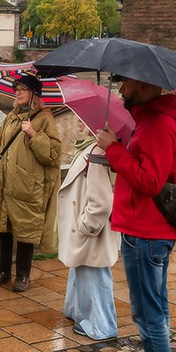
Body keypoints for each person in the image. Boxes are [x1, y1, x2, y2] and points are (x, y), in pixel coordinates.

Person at [95, 73, 176, 352]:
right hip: (146, 229)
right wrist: (118, 149)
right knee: (155, 311)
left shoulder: (157, 126)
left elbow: (150, 182)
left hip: (146, 232)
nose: (120, 89)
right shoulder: (151, 122)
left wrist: (114, 149)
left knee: (149, 316)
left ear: (146, 85)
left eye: (127, 83)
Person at [0, 69, 62, 293]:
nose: (17, 93)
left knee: (26, 230)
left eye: (22, 89)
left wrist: (34, 135)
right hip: (6, 184)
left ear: (34, 93)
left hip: (29, 186)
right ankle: (3, 271)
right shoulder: (12, 116)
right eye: (16, 89)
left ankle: (23, 275)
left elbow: (53, 155)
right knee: (3, 227)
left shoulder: (45, 120)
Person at [58, 126, 119, 340]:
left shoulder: (97, 153)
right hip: (87, 225)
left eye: (83, 121)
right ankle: (79, 313)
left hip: (92, 228)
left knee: (94, 274)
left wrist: (86, 226)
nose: (79, 124)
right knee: (83, 269)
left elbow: (102, 202)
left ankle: (101, 326)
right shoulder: (90, 149)